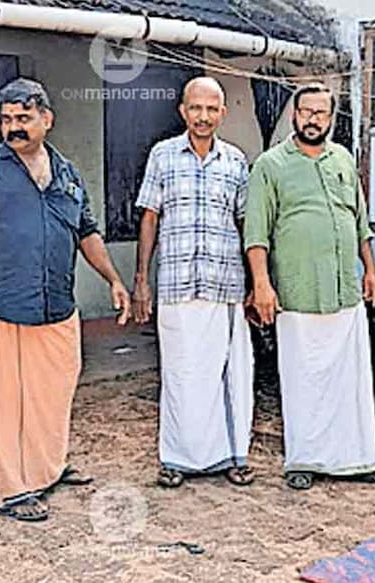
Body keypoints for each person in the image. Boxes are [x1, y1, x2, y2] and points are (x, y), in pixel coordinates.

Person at [0, 78, 130, 521]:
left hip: (58, 304)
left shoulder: (66, 172)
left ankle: (48, 467)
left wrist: (114, 280)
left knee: (56, 390)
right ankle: (9, 490)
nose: (14, 127)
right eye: (6, 119)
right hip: (8, 306)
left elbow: (87, 233)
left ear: (47, 119)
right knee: (9, 402)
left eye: (23, 118)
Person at [244, 83, 375, 490]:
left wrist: (369, 270)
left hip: (345, 289)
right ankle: (305, 460)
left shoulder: (343, 160)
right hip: (297, 291)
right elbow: (256, 232)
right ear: (294, 115)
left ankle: (359, 459)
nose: (313, 119)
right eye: (306, 112)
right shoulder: (270, 165)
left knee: (352, 379)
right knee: (302, 378)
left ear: (332, 119)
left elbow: (359, 221)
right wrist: (262, 284)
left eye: (321, 113)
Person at [133, 77, 255, 488]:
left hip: (225, 284)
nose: (203, 117)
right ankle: (176, 458)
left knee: (228, 374)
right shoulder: (163, 156)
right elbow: (149, 217)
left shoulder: (236, 161)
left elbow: (245, 223)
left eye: (211, 109)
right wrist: (141, 281)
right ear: (183, 111)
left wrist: (258, 281)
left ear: (222, 113)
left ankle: (233, 456)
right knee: (181, 374)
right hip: (177, 284)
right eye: (195, 108)